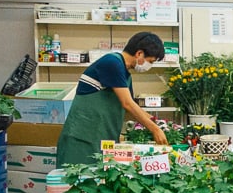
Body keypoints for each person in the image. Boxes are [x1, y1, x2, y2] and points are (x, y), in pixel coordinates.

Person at [56, 32, 169, 166]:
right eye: (150, 61)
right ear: (139, 53)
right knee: (77, 180)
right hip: (82, 138)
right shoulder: (112, 63)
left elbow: (131, 107)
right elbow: (127, 104)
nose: (149, 66)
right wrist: (155, 129)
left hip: (101, 137)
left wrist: (157, 123)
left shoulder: (126, 74)